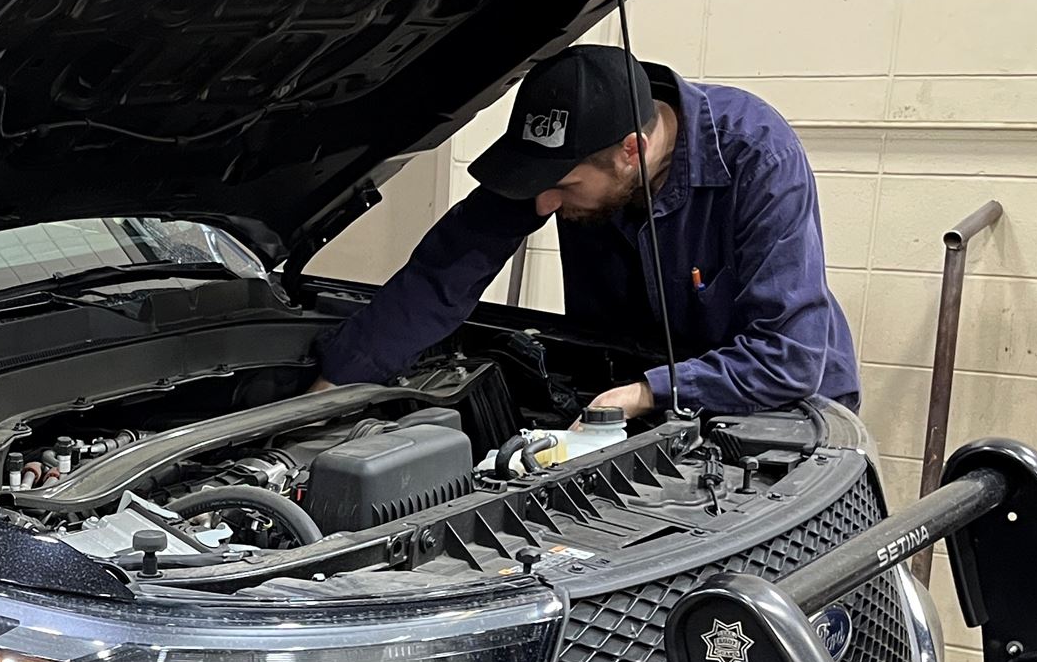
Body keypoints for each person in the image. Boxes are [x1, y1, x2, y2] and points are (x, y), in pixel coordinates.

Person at [311, 45, 859, 417]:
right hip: (631, 396)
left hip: (782, 415)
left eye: (565, 186)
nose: (545, 203)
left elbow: (789, 357)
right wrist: (335, 385)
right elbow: (442, 274)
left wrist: (651, 392)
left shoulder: (756, 154)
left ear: (631, 152)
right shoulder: (566, 161)